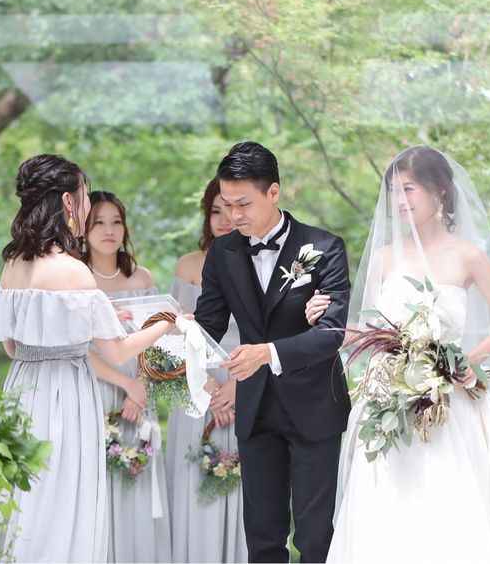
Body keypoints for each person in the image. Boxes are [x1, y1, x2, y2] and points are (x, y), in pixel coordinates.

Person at [0, 155, 177, 563]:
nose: (87, 205)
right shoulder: (72, 270)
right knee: (64, 501)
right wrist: (168, 320)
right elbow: (117, 350)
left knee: (25, 501)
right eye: (85, 195)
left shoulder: (13, 264)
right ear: (68, 202)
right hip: (65, 395)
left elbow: (12, 347)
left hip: (21, 391)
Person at [325, 145, 490, 563]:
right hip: (389, 402)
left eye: (408, 189)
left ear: (438, 190)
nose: (398, 200)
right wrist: (326, 319)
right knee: (389, 511)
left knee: (449, 507)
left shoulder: (468, 255)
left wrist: (469, 360)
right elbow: (371, 330)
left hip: (451, 404)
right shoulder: (384, 257)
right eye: (393, 190)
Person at [194, 142, 351, 563]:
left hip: (315, 406)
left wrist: (266, 353)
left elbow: (332, 334)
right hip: (256, 410)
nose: (233, 216)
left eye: (243, 204)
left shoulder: (324, 247)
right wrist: (166, 332)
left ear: (274, 192)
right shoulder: (222, 253)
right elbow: (207, 326)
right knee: (262, 538)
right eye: (226, 204)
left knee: (316, 537)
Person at [82, 190, 171, 563]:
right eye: (99, 222)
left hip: (139, 395)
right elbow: (78, 348)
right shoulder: (77, 278)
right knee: (96, 490)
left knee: (136, 483)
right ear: (83, 228)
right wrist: (125, 385)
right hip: (93, 391)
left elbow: (156, 341)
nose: (109, 230)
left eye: (116, 222)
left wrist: (140, 387)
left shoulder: (141, 277)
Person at [165, 177, 247, 563]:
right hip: (197, 384)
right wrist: (212, 387)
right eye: (216, 211)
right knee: (196, 483)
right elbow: (175, 335)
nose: (225, 219)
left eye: (233, 209)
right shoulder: (189, 265)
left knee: (245, 489)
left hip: (248, 381)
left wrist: (236, 388)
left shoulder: (260, 262)